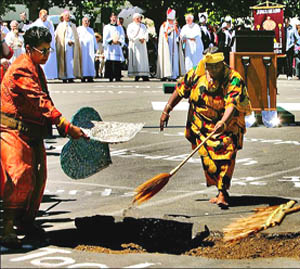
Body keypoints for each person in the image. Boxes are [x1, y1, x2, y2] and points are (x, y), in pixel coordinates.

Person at [0, 26, 88, 248]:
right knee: (18, 175)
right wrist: (65, 125)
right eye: (43, 50)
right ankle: (8, 225)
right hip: (12, 129)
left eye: (49, 50)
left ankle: (26, 222)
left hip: (32, 130)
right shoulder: (22, 68)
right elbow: (41, 101)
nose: (47, 55)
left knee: (38, 178)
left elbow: (44, 101)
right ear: (29, 49)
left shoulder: (35, 66)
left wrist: (56, 123)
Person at [159, 47, 251, 208]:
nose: (213, 69)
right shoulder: (197, 73)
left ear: (222, 63)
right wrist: (167, 110)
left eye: (217, 65)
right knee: (210, 161)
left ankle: (223, 191)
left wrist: (222, 122)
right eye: (210, 66)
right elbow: (180, 90)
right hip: (201, 123)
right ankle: (219, 188)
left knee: (226, 154)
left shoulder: (233, 78)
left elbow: (232, 104)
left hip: (227, 124)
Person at [157, 8, 185, 81]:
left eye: (172, 20)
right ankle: (166, 74)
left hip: (174, 46)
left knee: (174, 59)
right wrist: (171, 30)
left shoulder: (175, 26)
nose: (172, 21)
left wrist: (179, 37)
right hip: (167, 46)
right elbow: (164, 34)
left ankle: (174, 75)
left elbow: (179, 35)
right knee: (166, 59)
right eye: (170, 20)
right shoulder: (164, 25)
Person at [31, 9, 58, 80]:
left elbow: (52, 33)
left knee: (49, 61)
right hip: (40, 44)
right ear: (40, 15)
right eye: (43, 16)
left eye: (46, 16)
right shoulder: (36, 23)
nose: (44, 18)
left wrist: (52, 44)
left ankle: (50, 75)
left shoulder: (49, 23)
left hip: (48, 43)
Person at [55, 10, 81, 83]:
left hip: (71, 46)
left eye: (68, 16)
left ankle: (71, 76)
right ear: (63, 17)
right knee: (64, 61)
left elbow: (75, 36)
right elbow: (58, 36)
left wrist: (72, 41)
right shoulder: (60, 26)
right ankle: (63, 76)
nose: (67, 17)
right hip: (64, 46)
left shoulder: (73, 25)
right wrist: (66, 41)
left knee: (71, 61)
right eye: (66, 15)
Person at [127, 13, 150, 81]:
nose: (139, 19)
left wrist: (144, 38)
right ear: (134, 19)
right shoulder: (130, 26)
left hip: (142, 45)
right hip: (135, 45)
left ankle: (144, 74)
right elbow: (129, 35)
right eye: (137, 18)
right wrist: (138, 38)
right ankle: (136, 74)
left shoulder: (143, 26)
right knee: (136, 59)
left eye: (139, 18)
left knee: (143, 59)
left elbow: (146, 33)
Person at [103, 13, 125, 82]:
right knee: (110, 61)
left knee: (117, 62)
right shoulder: (107, 27)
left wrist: (119, 41)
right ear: (110, 18)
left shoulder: (120, 27)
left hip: (117, 46)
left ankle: (117, 76)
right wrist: (111, 41)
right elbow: (105, 37)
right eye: (113, 17)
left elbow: (122, 36)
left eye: (115, 17)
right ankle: (110, 76)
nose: (114, 19)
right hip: (110, 47)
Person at [77, 15, 98, 82]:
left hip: (90, 49)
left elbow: (94, 39)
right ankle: (83, 76)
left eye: (88, 21)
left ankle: (90, 76)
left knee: (90, 62)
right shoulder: (79, 29)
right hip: (82, 49)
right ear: (82, 22)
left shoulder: (91, 30)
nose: (87, 22)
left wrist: (96, 47)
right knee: (83, 62)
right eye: (85, 21)